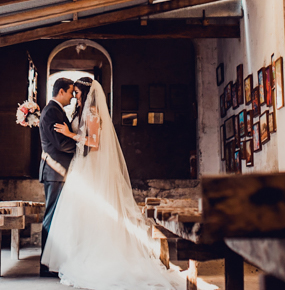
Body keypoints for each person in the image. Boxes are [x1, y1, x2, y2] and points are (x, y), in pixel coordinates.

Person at [41, 81, 183, 289]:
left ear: (87, 93)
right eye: (74, 93)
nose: (75, 96)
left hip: (88, 166)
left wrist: (70, 134)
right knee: (79, 215)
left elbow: (95, 142)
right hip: (80, 166)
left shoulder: (92, 112)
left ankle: (93, 257)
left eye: (78, 92)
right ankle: (76, 255)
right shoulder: (77, 112)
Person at [38, 77, 77, 278]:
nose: (72, 97)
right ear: (61, 91)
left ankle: (52, 261)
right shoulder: (52, 112)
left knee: (56, 216)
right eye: (70, 92)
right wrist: (80, 148)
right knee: (51, 216)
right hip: (55, 172)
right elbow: (61, 143)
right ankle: (45, 265)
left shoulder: (55, 110)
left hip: (58, 172)